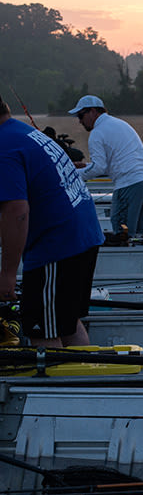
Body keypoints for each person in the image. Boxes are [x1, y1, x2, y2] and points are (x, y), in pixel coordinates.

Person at [0, 95, 105, 347]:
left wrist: (7, 274)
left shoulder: (3, 147)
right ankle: (84, 381)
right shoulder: (23, 132)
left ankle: (56, 384)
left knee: (42, 330)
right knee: (66, 322)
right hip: (84, 236)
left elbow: (17, 211)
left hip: (56, 246)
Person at [68, 95, 143, 245]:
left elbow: (99, 168)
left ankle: (125, 264)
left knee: (121, 233)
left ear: (93, 112)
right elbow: (112, 162)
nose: (79, 121)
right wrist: (85, 166)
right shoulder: (120, 124)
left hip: (130, 183)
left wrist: (71, 175)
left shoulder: (97, 133)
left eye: (81, 115)